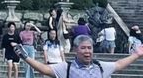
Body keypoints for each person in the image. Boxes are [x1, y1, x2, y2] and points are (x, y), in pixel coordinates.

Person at [15, 33, 143, 77]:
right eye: (83, 48)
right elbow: (45, 69)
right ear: (76, 49)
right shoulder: (67, 68)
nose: (87, 51)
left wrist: (136, 55)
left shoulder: (100, 66)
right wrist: (25, 57)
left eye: (89, 48)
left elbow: (119, 64)